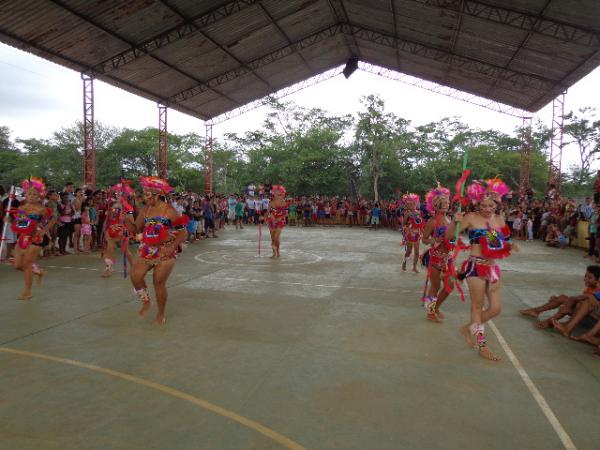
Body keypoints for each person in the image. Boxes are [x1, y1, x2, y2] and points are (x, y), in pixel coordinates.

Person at [448, 178, 515, 361]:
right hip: (475, 267)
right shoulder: (470, 217)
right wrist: (455, 223)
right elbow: (449, 237)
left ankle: (468, 327)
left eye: (490, 205)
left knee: (495, 308)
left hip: (493, 268)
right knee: (477, 306)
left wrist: (510, 246)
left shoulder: (498, 219)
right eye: (483, 205)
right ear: (477, 204)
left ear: (496, 204)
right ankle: (482, 345)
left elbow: (496, 243)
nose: (487, 209)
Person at [128, 176, 188, 325]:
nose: (144, 197)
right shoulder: (145, 210)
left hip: (165, 250)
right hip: (147, 249)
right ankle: (146, 301)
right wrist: (125, 219)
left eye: (147, 194)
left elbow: (183, 232)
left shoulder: (170, 211)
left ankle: (161, 313)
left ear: (157, 194)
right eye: (144, 193)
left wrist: (172, 247)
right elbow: (136, 229)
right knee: (135, 276)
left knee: (158, 282)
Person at [421, 185, 462, 322]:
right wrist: (434, 240)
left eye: (447, 202)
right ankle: (430, 313)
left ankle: (436, 307)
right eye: (442, 202)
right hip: (436, 258)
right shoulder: (432, 222)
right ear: (434, 204)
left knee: (449, 285)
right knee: (436, 286)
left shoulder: (450, 220)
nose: (445, 204)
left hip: (448, 258)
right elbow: (424, 239)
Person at [11, 178, 54, 300]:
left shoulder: (42, 209)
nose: (31, 196)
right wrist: (9, 220)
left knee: (26, 265)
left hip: (35, 239)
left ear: (39, 195)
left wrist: (44, 230)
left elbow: (53, 219)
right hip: (22, 238)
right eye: (29, 193)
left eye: (34, 194)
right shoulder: (21, 208)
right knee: (17, 265)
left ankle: (27, 291)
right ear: (25, 194)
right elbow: (19, 223)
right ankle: (38, 272)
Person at [519, 265, 600, 329]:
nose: (585, 279)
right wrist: (559, 301)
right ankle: (536, 311)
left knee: (571, 304)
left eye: (589, 278)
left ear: (598, 280)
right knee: (562, 298)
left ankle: (549, 322)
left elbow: (587, 309)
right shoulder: (589, 288)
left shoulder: (597, 290)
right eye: (586, 276)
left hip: (592, 321)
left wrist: (568, 307)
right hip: (584, 315)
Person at [101, 181, 135, 277]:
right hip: (112, 229)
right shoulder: (112, 205)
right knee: (109, 249)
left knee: (125, 250)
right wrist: (109, 215)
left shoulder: (128, 207)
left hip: (122, 230)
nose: (118, 194)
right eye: (117, 193)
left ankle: (133, 267)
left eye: (120, 193)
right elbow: (111, 217)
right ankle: (109, 268)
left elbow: (132, 220)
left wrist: (125, 218)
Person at [402, 193, 425, 273]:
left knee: (417, 252)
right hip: (409, 234)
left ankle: (414, 267)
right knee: (409, 251)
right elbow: (403, 224)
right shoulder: (407, 214)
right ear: (407, 205)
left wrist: (423, 233)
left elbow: (421, 224)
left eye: (413, 203)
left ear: (416, 203)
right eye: (410, 203)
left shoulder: (419, 213)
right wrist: (407, 229)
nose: (412, 205)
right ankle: (404, 262)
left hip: (417, 234)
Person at [265, 185, 287, 259]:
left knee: (276, 238)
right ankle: (274, 253)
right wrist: (262, 217)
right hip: (271, 221)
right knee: (273, 238)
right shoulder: (271, 203)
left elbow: (285, 213)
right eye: (275, 193)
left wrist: (279, 218)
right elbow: (267, 213)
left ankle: (278, 252)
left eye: (279, 194)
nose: (276, 195)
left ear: (281, 194)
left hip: (280, 221)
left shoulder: (283, 202)